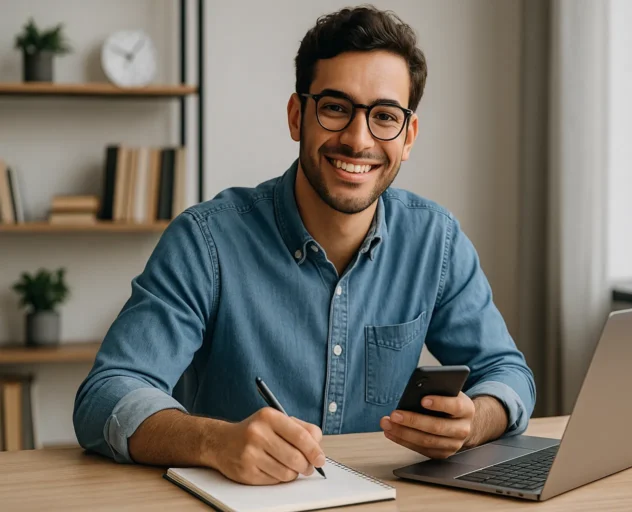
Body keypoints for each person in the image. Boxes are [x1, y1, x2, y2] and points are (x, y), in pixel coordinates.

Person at [73, 5, 536, 486]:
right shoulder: (205, 241)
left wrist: (472, 422)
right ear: (298, 117)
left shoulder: (435, 241)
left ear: (408, 135)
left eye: (384, 116)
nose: (358, 140)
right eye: (335, 108)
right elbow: (107, 394)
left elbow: (508, 374)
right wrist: (214, 442)